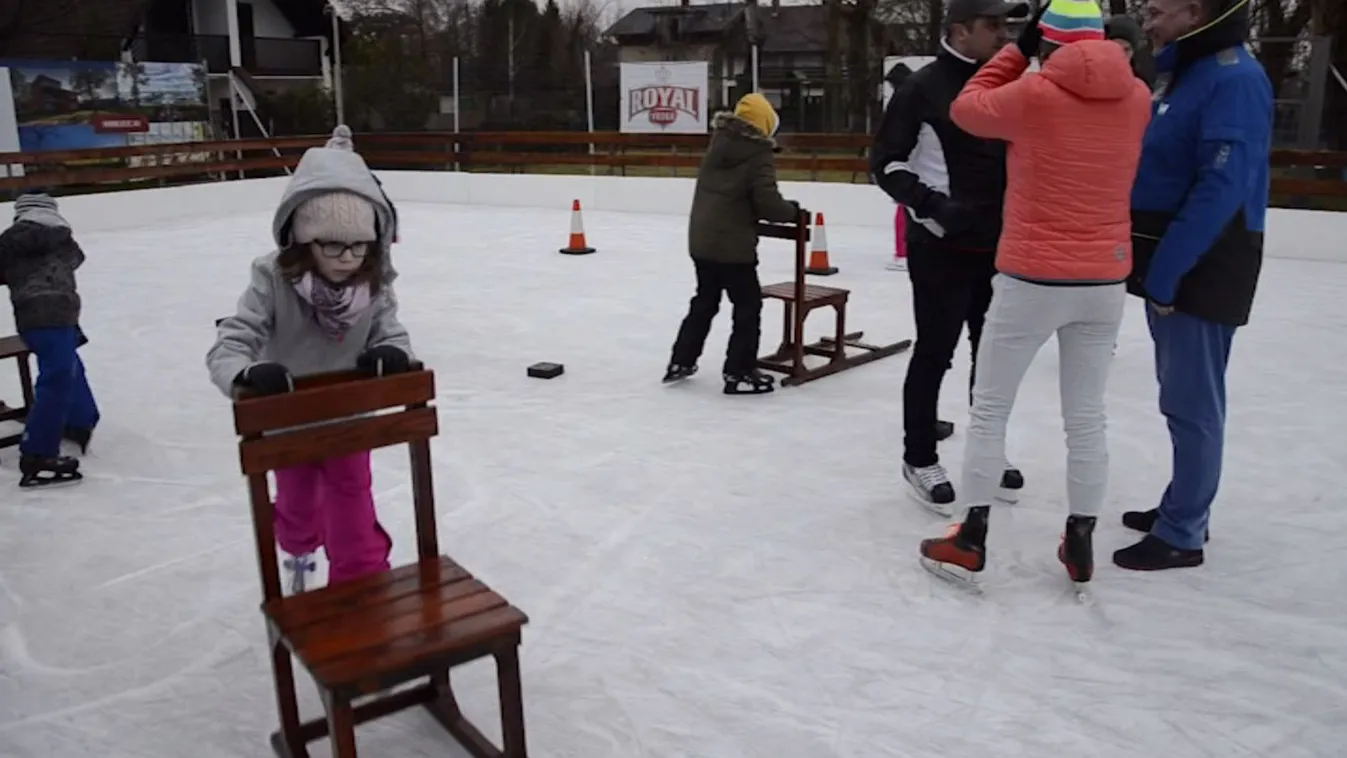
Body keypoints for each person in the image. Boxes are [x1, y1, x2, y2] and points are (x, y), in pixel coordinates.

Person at [915, 0, 1152, 589]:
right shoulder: (1137, 97)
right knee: (1087, 416)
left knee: (991, 409)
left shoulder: (1033, 94)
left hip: (1032, 277)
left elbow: (965, 106)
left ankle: (970, 536)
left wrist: (1015, 52)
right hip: (1104, 280)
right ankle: (1081, 536)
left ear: (1045, 42)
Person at [207, 126, 413, 594]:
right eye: (332, 245)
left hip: (348, 418)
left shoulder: (373, 280)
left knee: (353, 509)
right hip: (289, 418)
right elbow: (230, 343)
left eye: (358, 245)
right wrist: (245, 373)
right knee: (296, 506)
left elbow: (393, 333)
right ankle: (299, 553)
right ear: (304, 239)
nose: (347, 258)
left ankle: (361, 592)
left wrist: (393, 353)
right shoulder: (272, 279)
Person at [1113, 0, 1272, 571]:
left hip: (1204, 261)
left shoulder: (1235, 79)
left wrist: (1167, 273)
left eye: (1158, 11)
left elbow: (1220, 188)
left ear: (1195, 12)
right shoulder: (1186, 71)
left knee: (1192, 402)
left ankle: (1183, 531)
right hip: (1172, 258)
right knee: (1178, 394)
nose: (1147, 22)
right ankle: (1182, 505)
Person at [870, 0, 1028, 512]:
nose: (1003, 36)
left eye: (1007, 26)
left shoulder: (1006, 84)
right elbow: (885, 164)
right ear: (960, 32)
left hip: (998, 247)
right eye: (992, 25)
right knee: (936, 352)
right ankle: (919, 456)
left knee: (994, 357)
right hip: (940, 246)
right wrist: (936, 208)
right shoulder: (922, 88)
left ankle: (988, 450)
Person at [665, 93, 800, 395]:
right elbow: (768, 204)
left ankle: (681, 360)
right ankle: (739, 371)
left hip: (702, 240)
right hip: (732, 246)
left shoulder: (718, 145)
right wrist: (793, 211)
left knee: (705, 300)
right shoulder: (757, 153)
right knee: (747, 306)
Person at [0, 191, 99, 488]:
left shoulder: (11, 241)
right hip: (63, 311)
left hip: (34, 314)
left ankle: (69, 427)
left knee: (61, 371)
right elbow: (76, 259)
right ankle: (44, 449)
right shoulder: (64, 239)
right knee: (61, 372)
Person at [1105, 14, 1158, 89]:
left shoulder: (1144, 82)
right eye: (1115, 48)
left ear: (1133, 51)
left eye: (1126, 50)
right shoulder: (1095, 79)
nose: (1121, 55)